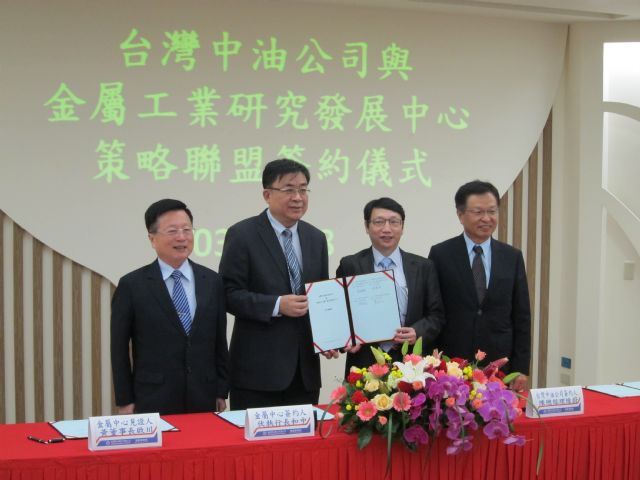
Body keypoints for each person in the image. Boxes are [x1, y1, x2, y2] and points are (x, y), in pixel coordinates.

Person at [219, 159, 333, 410]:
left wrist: (330, 337)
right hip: (258, 374)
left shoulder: (316, 238)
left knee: (302, 449)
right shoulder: (243, 234)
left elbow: (320, 296)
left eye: (303, 189)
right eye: (289, 189)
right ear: (267, 194)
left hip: (304, 374)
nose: (298, 197)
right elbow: (228, 294)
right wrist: (276, 305)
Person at [111, 199, 229, 415]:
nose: (181, 237)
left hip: (204, 395)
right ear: (152, 238)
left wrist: (221, 390)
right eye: (172, 231)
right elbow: (118, 349)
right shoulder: (132, 285)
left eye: (187, 229)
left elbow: (219, 341)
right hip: (152, 397)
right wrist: (124, 400)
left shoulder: (211, 281)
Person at [428, 180, 531, 391]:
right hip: (452, 363)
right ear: (460, 214)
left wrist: (521, 367)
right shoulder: (441, 254)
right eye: (478, 212)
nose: (486, 218)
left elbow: (522, 316)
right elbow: (432, 310)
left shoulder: (512, 256)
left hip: (499, 364)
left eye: (492, 211)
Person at [336, 197, 445, 375]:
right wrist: (345, 340)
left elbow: (436, 315)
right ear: (367, 226)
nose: (387, 229)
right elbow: (340, 313)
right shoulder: (350, 264)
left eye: (394, 222)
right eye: (379, 222)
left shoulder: (423, 266)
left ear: (402, 227)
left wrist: (416, 332)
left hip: (411, 362)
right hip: (364, 361)